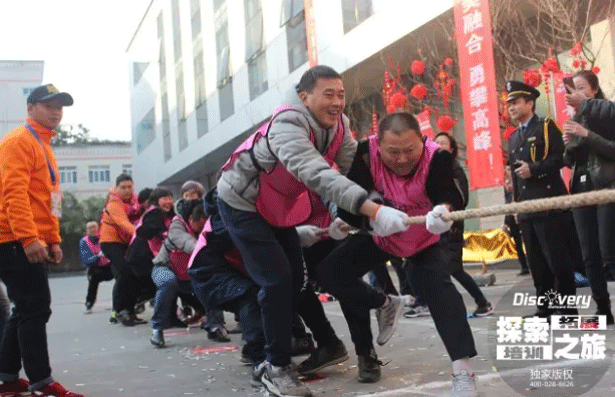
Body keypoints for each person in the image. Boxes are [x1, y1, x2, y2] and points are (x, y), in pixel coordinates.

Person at [216, 65, 409, 397]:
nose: (337, 103)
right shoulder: (286, 125)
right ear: (304, 98)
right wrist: (373, 210)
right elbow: (315, 172)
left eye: (341, 95)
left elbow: (350, 172)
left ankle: (278, 361)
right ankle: (276, 368)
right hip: (242, 203)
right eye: (328, 94)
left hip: (279, 206)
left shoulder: (340, 126)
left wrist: (370, 208)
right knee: (276, 280)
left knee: (295, 282)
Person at [319, 112, 479, 396]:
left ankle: (462, 369)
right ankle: (383, 307)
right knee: (331, 273)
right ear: (378, 144)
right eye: (393, 152)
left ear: (422, 140)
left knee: (440, 291)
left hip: (423, 239)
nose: (403, 159)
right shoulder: (364, 155)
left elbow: (450, 194)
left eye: (410, 151)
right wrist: (367, 218)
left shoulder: (437, 158)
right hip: (382, 236)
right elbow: (348, 199)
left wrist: (444, 212)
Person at [189, 188, 348, 373]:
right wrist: (292, 233)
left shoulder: (255, 196)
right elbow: (244, 233)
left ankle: (318, 341)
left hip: (238, 265)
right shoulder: (228, 209)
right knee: (251, 296)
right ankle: (262, 358)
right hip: (210, 273)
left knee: (293, 285)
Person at [0, 84, 83, 396]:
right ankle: (42, 383)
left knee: (26, 308)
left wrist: (53, 238)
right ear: (31, 108)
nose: (57, 111)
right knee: (35, 307)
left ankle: (7, 379)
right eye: (49, 105)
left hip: (25, 238)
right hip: (12, 239)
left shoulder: (43, 145)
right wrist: (28, 238)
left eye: (60, 106)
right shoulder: (18, 141)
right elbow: (14, 194)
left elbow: (48, 200)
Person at [506, 80, 577, 317]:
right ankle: (545, 308)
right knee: (537, 264)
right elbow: (516, 176)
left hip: (549, 204)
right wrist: (515, 206)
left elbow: (564, 158)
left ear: (530, 103)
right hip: (527, 208)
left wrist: (534, 169)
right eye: (509, 104)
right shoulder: (514, 137)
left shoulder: (546, 126)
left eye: (516, 102)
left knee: (558, 262)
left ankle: (567, 310)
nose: (512, 108)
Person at [562, 70, 615, 324]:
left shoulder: (607, 113)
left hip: (606, 187)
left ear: (594, 89)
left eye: (581, 87)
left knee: (608, 252)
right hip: (581, 190)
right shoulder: (575, 119)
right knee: (589, 254)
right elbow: (570, 161)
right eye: (573, 89)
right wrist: (569, 143)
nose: (576, 93)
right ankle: (603, 309)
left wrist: (586, 135)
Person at [434, 132, 494, 317]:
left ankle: (482, 303)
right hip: (440, 226)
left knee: (453, 269)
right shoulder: (438, 169)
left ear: (452, 149)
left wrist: (447, 209)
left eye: (443, 143)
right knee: (441, 269)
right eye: (436, 143)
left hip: (452, 227)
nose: (439, 146)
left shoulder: (454, 169)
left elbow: (462, 199)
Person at [149, 199, 207, 347]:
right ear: (191, 219)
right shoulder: (177, 225)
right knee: (168, 282)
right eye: (199, 222)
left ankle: (215, 324)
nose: (202, 226)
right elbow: (189, 244)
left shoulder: (207, 223)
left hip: (188, 273)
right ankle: (157, 329)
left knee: (213, 278)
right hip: (164, 267)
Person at [124, 187, 175, 326]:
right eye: (164, 198)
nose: (168, 201)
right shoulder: (154, 214)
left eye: (170, 198)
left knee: (165, 284)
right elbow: (160, 233)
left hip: (146, 255)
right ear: (155, 201)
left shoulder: (163, 214)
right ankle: (136, 307)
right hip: (142, 256)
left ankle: (170, 316)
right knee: (163, 284)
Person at [100, 174, 143, 325]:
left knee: (128, 275)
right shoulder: (113, 202)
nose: (126, 190)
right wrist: (141, 234)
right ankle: (119, 311)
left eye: (129, 187)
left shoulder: (136, 199)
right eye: (123, 187)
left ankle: (127, 311)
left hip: (126, 241)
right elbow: (123, 222)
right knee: (125, 272)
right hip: (110, 242)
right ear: (117, 188)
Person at [79, 221, 113, 314]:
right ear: (87, 230)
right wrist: (97, 256)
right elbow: (86, 260)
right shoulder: (84, 242)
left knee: (121, 275)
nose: (92, 229)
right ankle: (89, 303)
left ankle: (119, 302)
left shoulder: (103, 237)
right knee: (93, 280)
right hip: (95, 267)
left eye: (94, 227)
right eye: (90, 228)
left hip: (108, 265)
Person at [502, 164, 530, 275]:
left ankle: (532, 264)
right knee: (517, 243)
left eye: (510, 169)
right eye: (507, 169)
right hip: (512, 216)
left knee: (528, 240)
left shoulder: (519, 179)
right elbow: (506, 203)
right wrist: (505, 221)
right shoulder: (506, 183)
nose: (509, 171)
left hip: (521, 213)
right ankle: (524, 266)